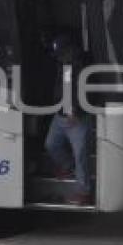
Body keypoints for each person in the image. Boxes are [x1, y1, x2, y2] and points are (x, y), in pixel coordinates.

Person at [44, 33, 94, 206]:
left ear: (71, 49)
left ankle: (84, 192)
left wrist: (75, 108)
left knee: (81, 155)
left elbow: (83, 88)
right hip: (60, 115)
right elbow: (62, 87)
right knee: (51, 145)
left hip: (78, 118)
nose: (59, 57)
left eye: (62, 53)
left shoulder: (82, 65)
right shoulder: (63, 65)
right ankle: (68, 167)